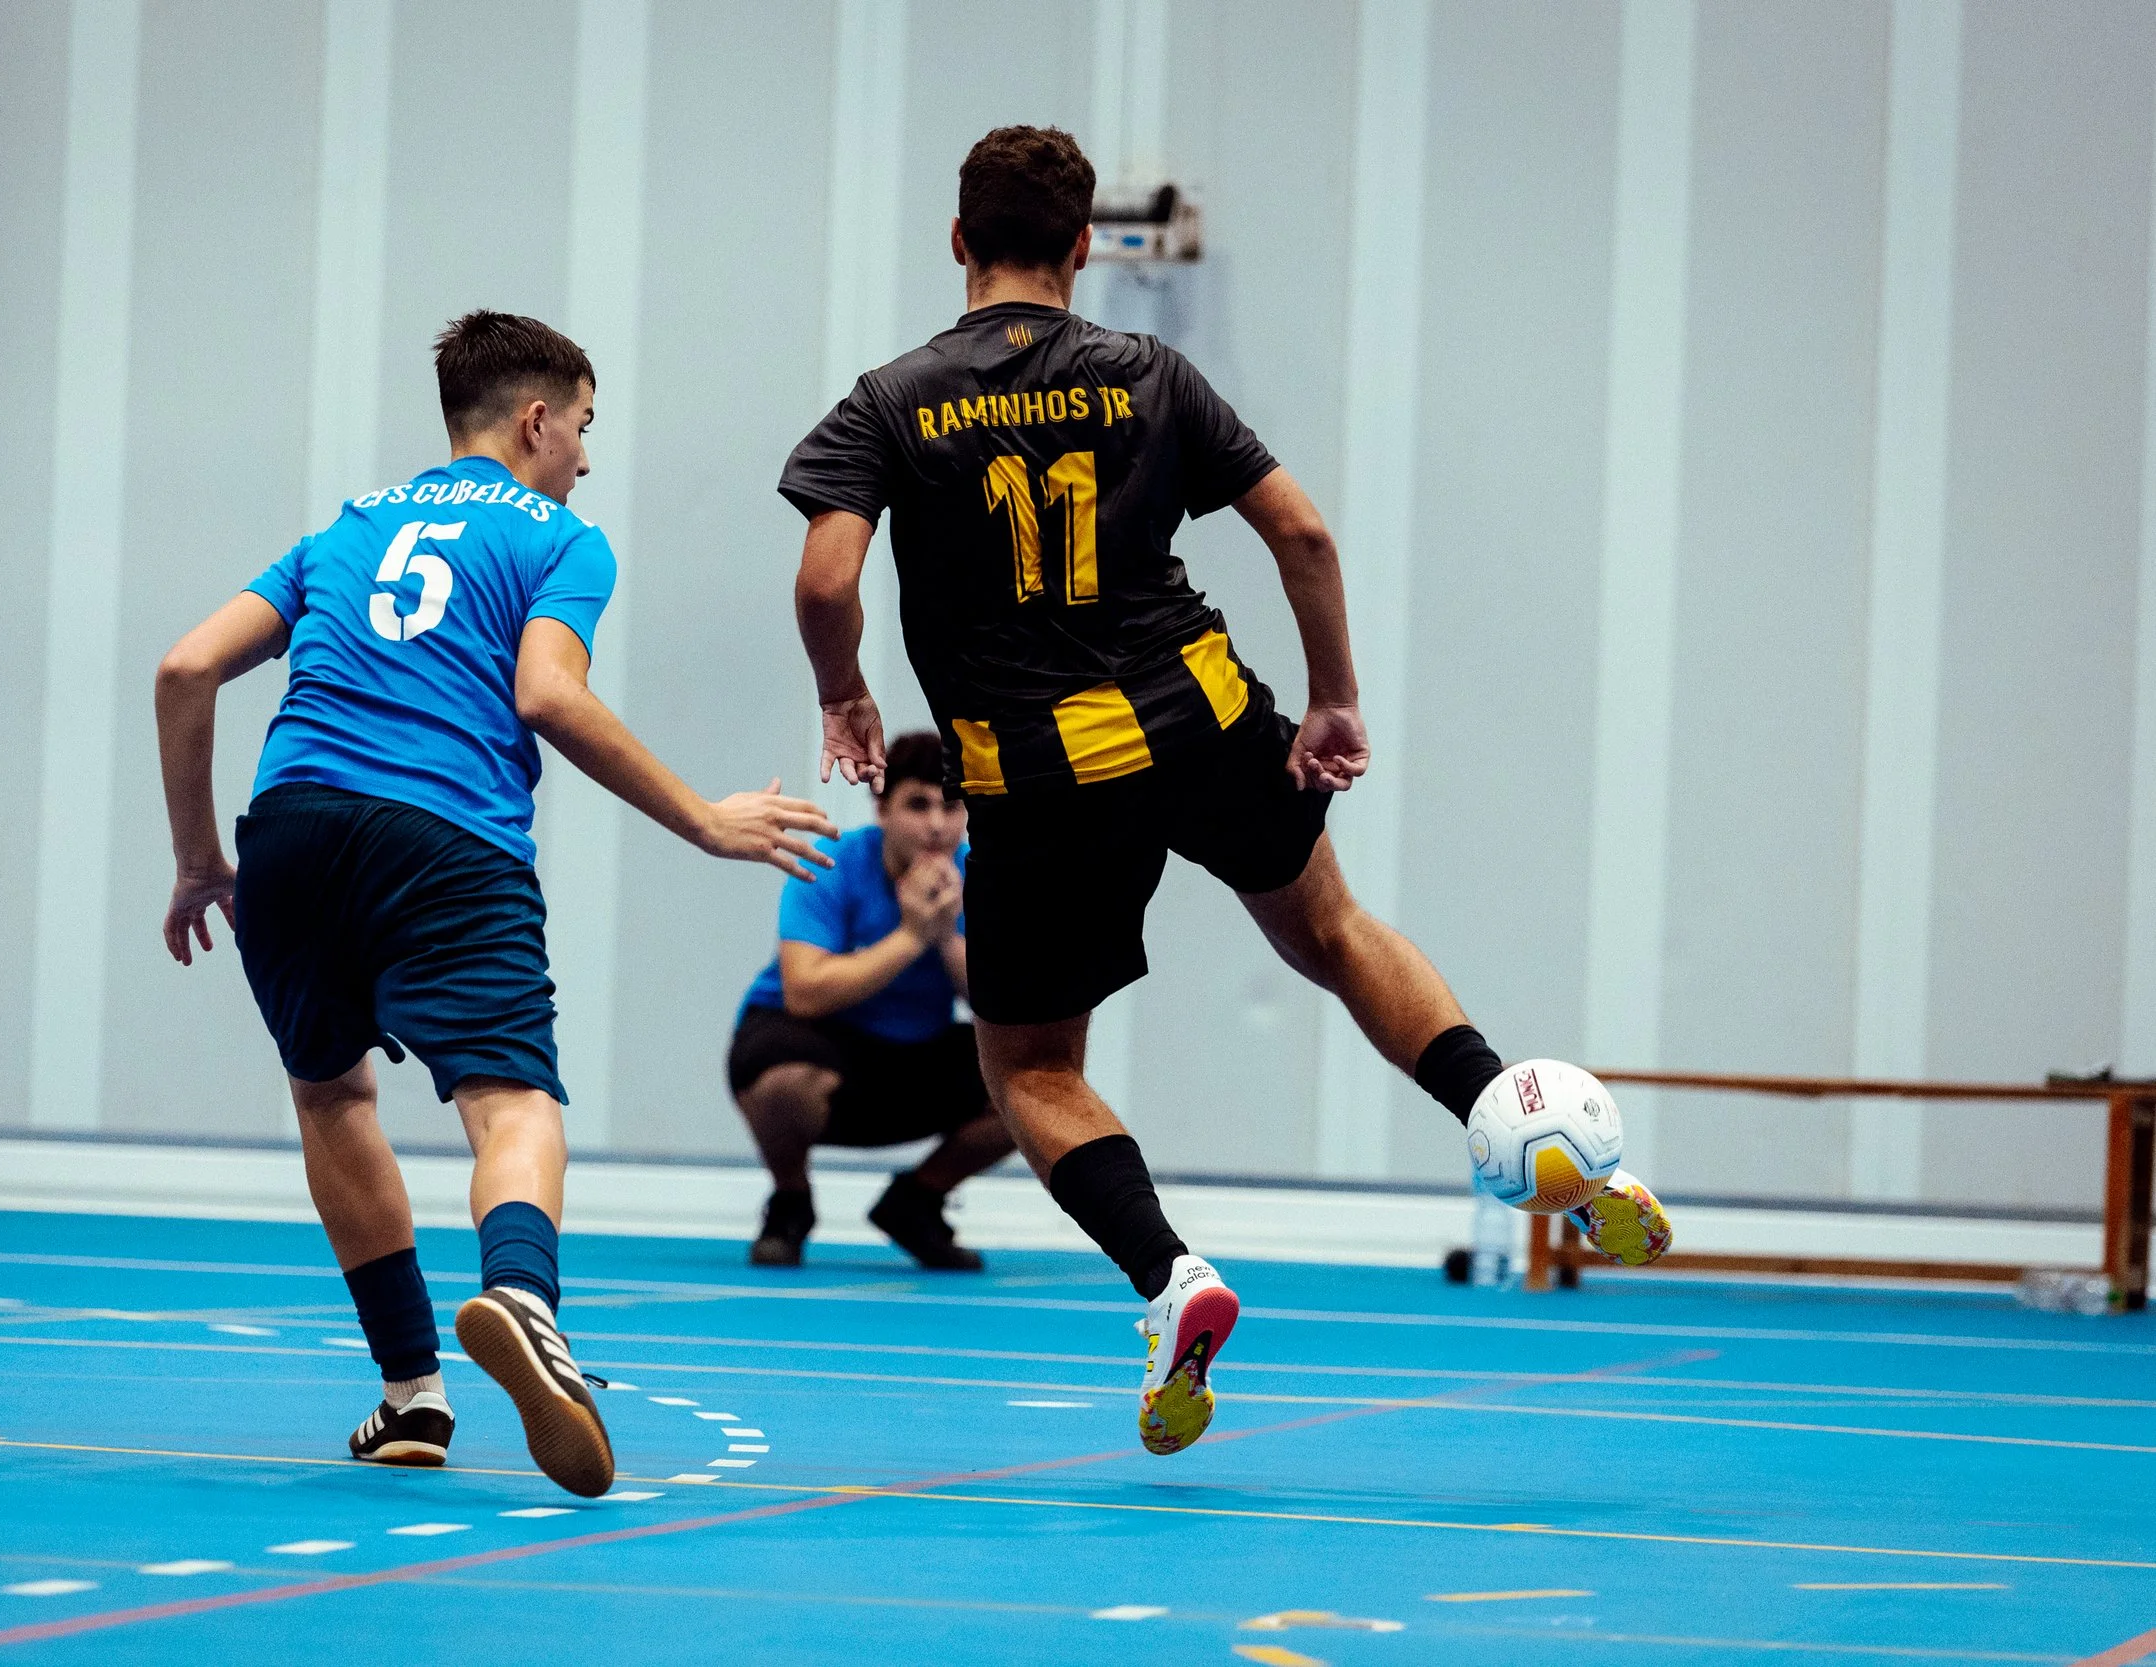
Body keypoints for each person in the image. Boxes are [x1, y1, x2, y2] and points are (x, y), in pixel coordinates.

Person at [780, 126, 1673, 1458]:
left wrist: (844, 693)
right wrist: (1333, 696)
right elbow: (1302, 530)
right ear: (1084, 247)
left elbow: (826, 579)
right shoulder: (1148, 371)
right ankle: (1509, 1111)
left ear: (959, 241)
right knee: (1331, 929)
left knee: (1029, 1062)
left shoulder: (890, 400)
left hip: (1036, 765)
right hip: (1198, 713)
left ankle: (1172, 1277)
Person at [153, 310, 835, 1496]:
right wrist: (704, 819)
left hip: (293, 830)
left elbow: (184, 667)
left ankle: (410, 1393)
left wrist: (201, 858)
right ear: (534, 420)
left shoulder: (344, 529)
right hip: (443, 835)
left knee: (329, 1093)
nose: (584, 453)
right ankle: (523, 1298)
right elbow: (547, 695)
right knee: (510, 1102)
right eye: (581, 426)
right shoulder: (562, 539)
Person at [728, 730, 1018, 1270]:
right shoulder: (832, 864)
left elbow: (1003, 1003)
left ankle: (917, 1202)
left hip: (914, 1054)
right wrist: (910, 936)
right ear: (881, 808)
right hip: (819, 1040)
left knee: (1035, 1082)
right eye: (917, 805)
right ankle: (790, 1201)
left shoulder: (986, 875)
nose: (937, 824)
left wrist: (943, 935)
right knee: (782, 1083)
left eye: (951, 806)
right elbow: (805, 992)